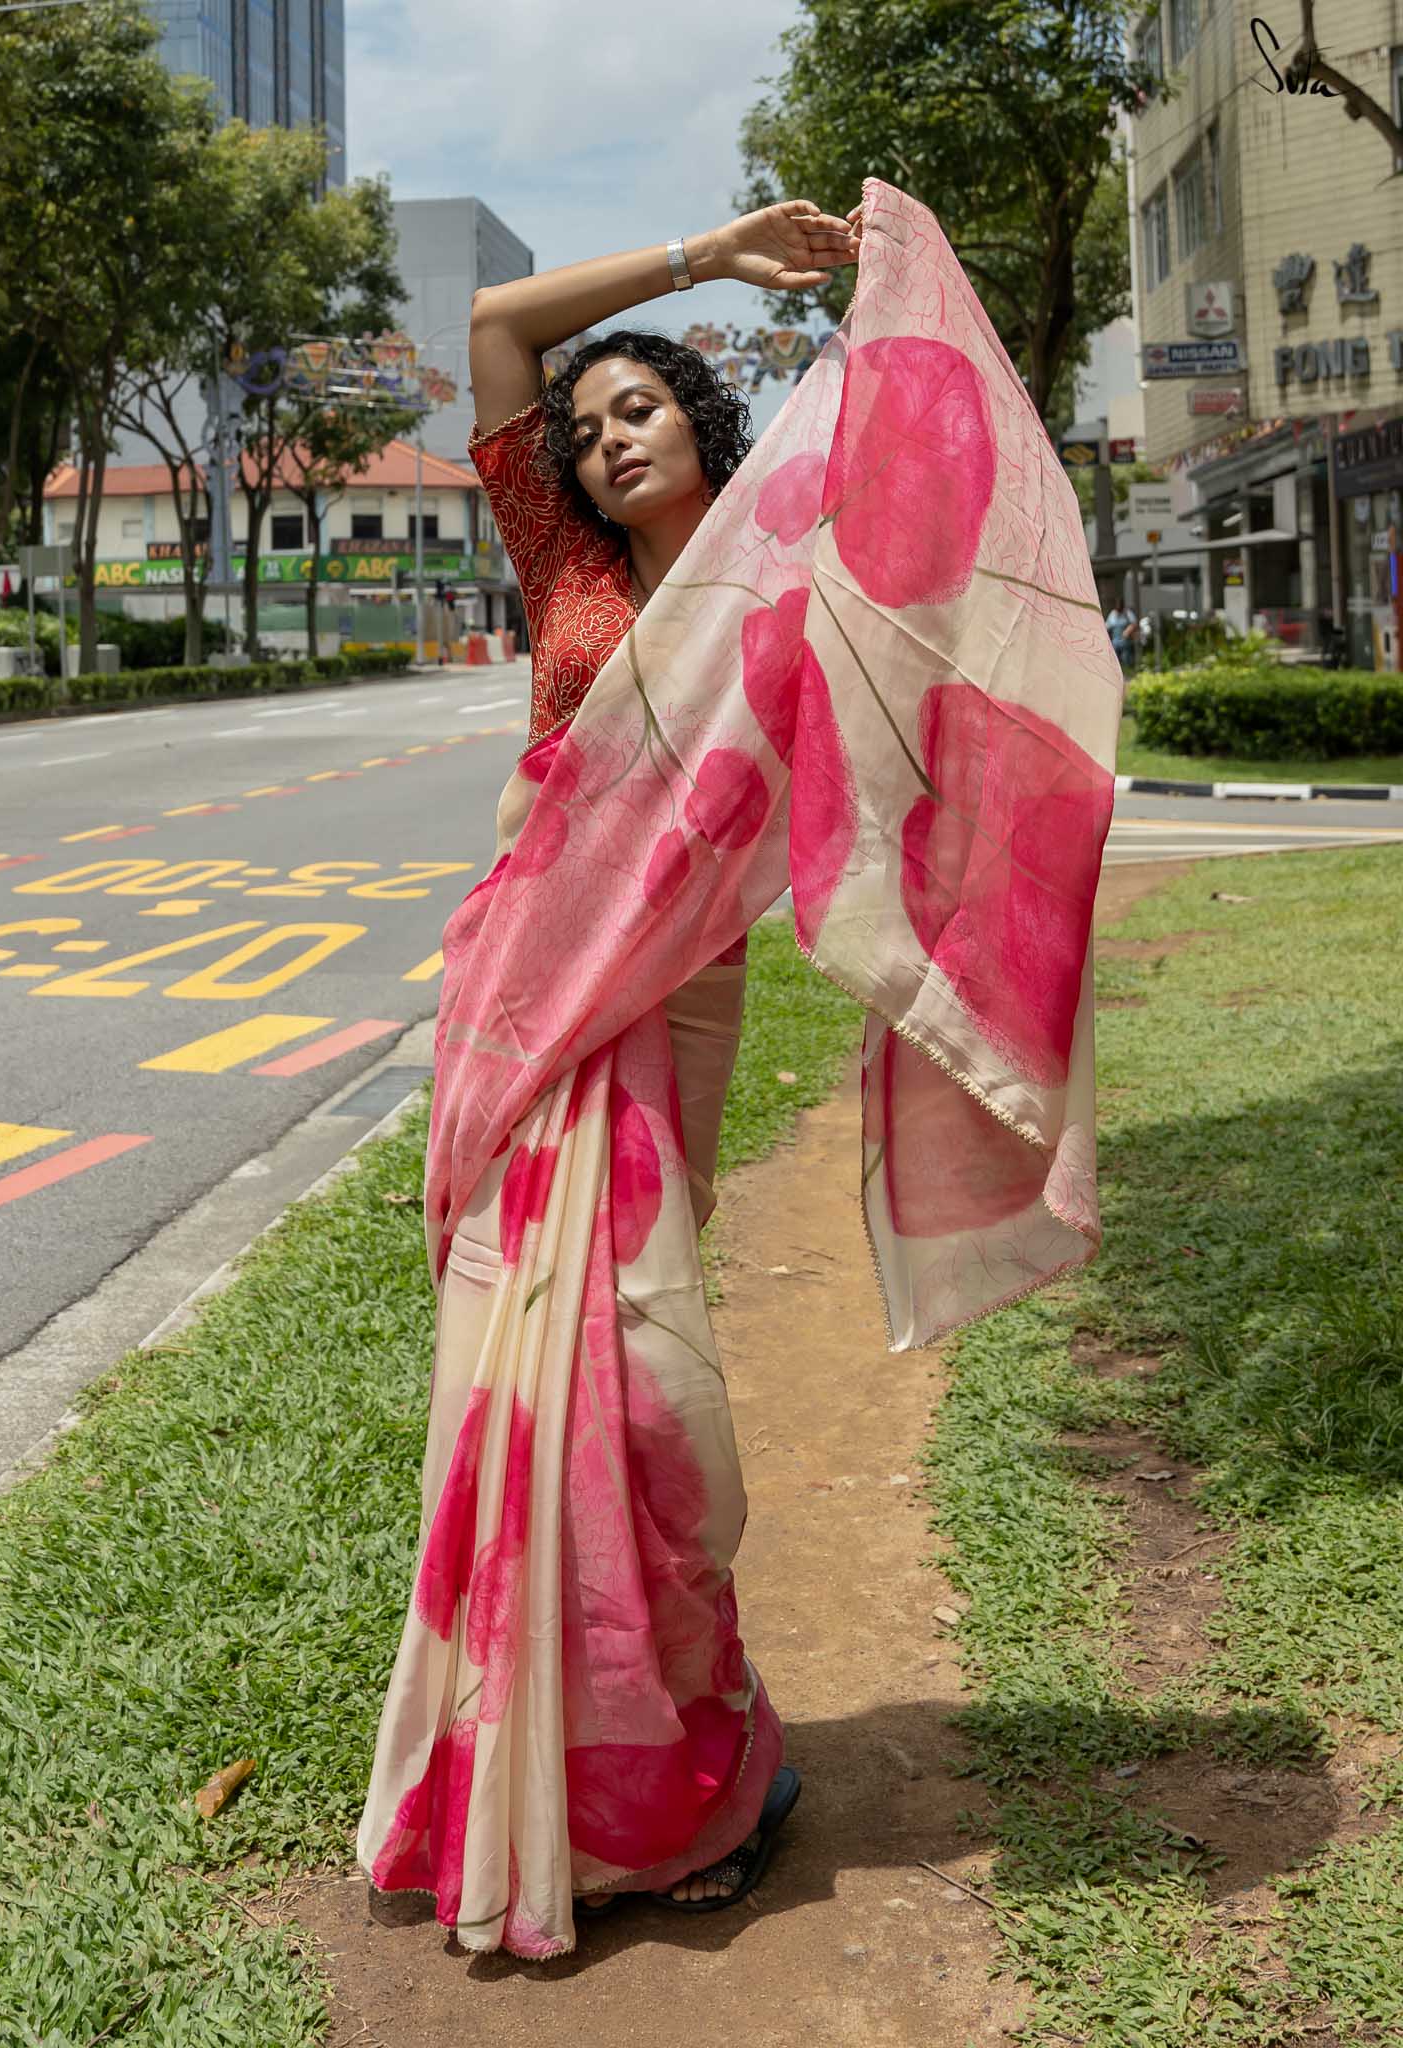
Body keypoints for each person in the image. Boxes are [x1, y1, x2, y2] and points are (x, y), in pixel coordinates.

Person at [354, 179, 1116, 1961]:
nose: (608, 437)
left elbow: (918, 585)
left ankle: (685, 1751)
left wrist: (888, 307)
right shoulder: (563, 569)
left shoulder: (776, 581)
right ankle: (537, 1777)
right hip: (533, 1007)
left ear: (704, 433)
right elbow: (498, 333)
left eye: (641, 410)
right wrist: (705, 256)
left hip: (672, 1008)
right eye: (588, 425)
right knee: (525, 1396)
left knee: (648, 1398)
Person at [1106, 600, 1138, 672]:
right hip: (1115, 640)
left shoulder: (1128, 613)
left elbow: (1134, 624)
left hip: (1125, 640)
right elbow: (1107, 626)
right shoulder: (1113, 614)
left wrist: (1127, 631)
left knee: (1126, 658)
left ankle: (1128, 672)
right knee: (1115, 660)